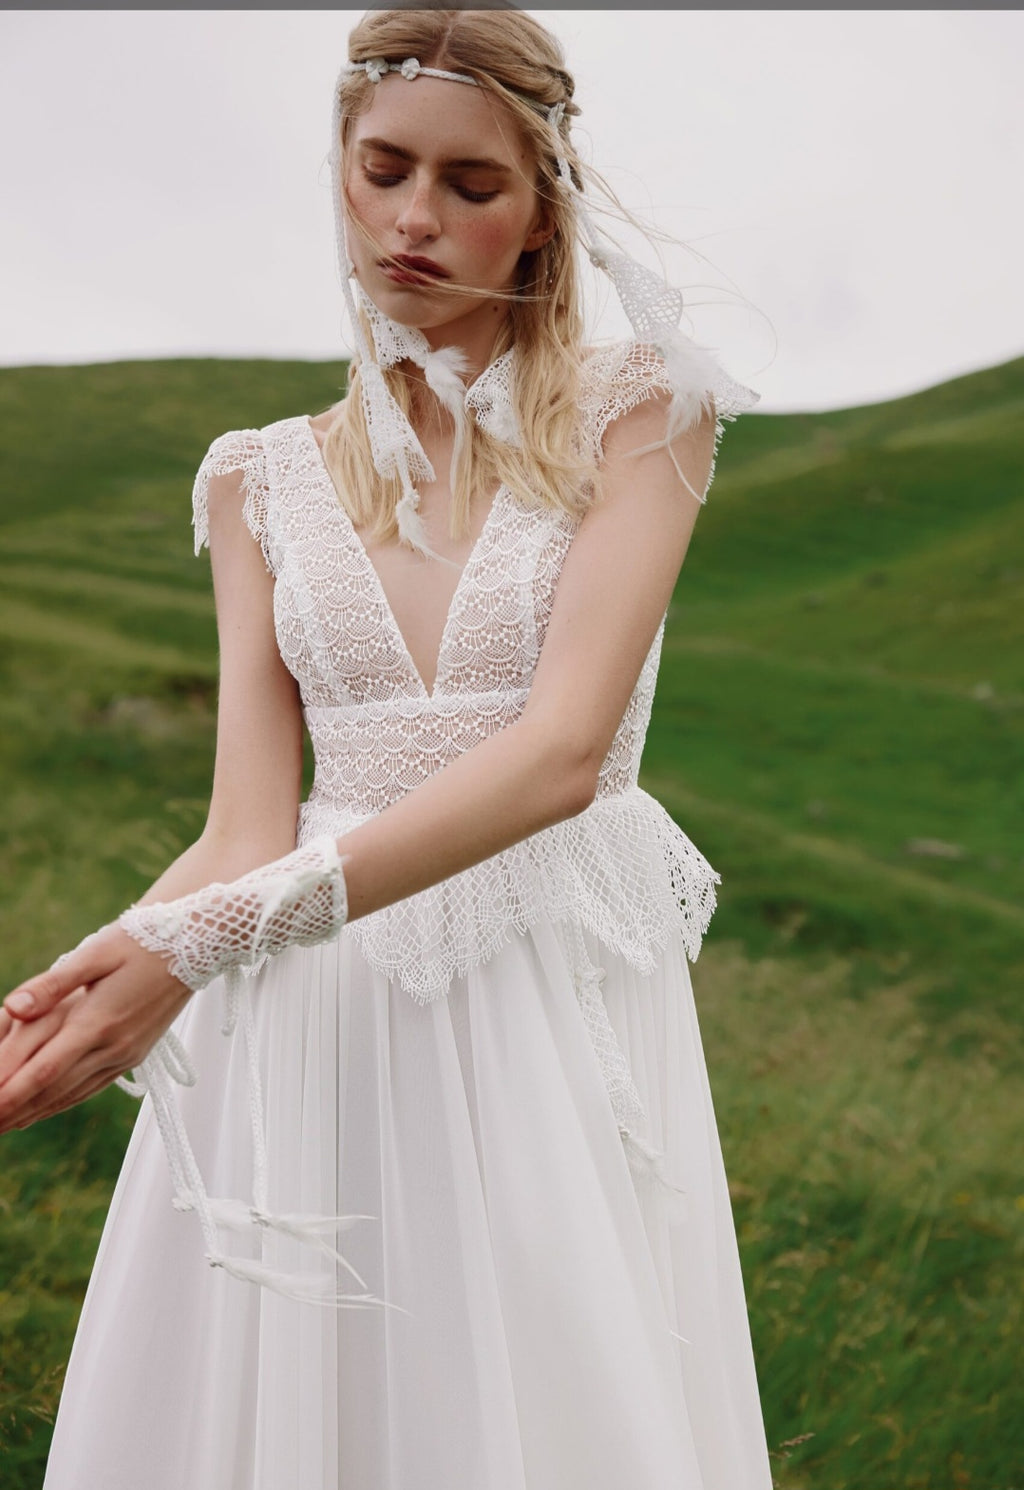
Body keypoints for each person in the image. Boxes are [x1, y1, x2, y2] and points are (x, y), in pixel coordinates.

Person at [0, 9, 773, 1488]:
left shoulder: (645, 418)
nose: (414, 219)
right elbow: (245, 824)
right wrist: (99, 973)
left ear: (545, 211)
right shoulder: (255, 480)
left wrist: (217, 929)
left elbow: (560, 755)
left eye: (472, 186)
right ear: (340, 170)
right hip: (303, 1013)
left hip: (538, 1001)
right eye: (383, 168)